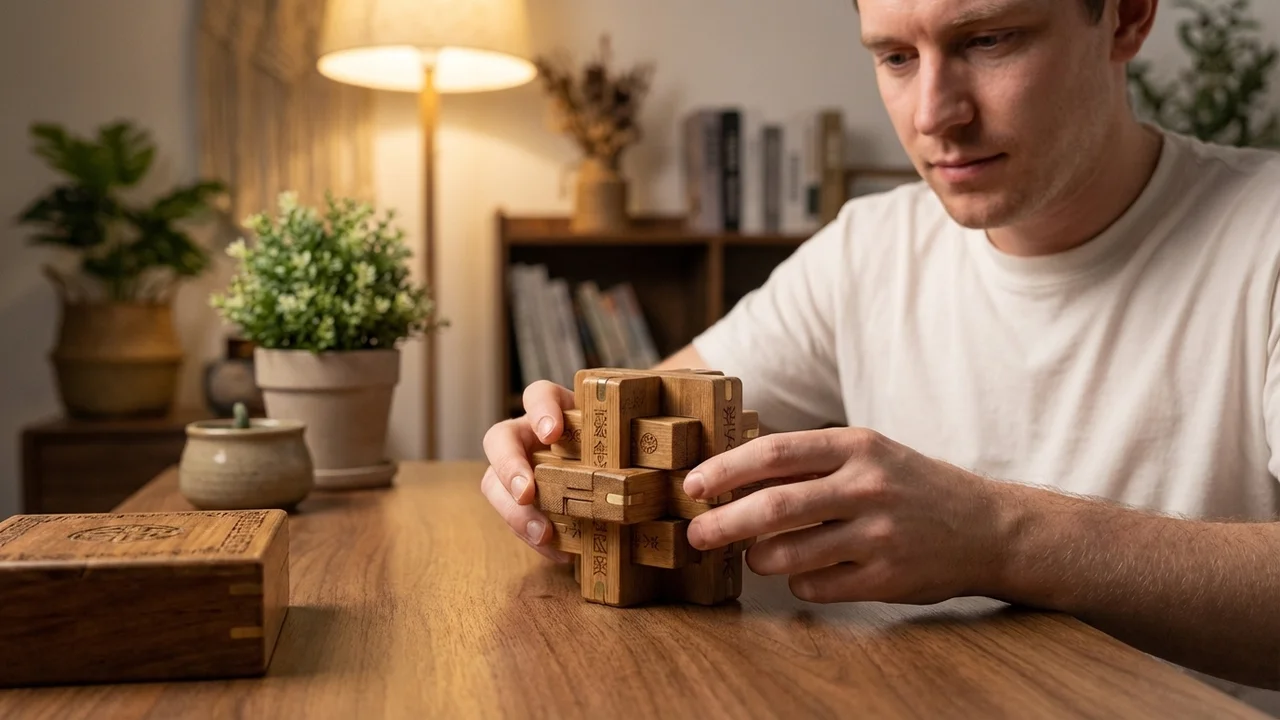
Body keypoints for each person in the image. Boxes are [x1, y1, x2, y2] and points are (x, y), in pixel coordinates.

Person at [481, 0, 1280, 707]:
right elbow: (650, 417)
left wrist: (999, 536)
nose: (934, 114)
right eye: (896, 56)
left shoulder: (1264, 236)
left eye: (989, 40)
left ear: (1127, 16)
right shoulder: (869, 248)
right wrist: (558, 453)